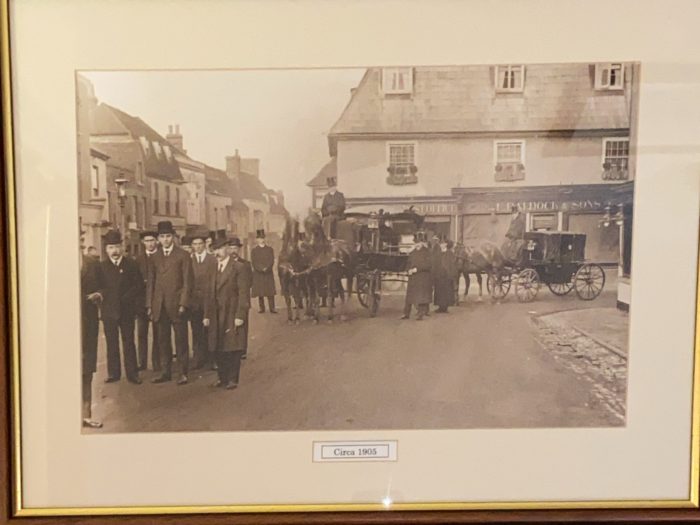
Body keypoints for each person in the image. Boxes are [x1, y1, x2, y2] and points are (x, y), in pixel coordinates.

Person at [148, 220, 193, 385]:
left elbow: (188, 282)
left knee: (181, 340)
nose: (166, 239)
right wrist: (150, 305)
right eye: (162, 236)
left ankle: (182, 372)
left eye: (168, 236)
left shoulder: (183, 255)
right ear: (158, 239)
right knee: (162, 340)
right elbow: (151, 283)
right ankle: (165, 372)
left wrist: (183, 303)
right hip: (159, 305)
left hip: (177, 304)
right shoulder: (154, 257)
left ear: (173, 237)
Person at [203, 235, 250, 389]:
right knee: (218, 345)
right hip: (216, 314)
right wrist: (206, 315)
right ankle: (222, 377)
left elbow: (243, 294)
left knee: (232, 347)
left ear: (227, 249)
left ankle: (232, 379)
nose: (217, 252)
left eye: (220, 249)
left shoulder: (238, 268)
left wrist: (240, 315)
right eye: (215, 249)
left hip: (231, 311)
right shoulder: (212, 268)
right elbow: (208, 293)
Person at [98, 230, 143, 384]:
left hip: (126, 311)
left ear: (122, 247)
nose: (115, 251)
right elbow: (98, 288)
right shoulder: (101, 267)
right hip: (109, 311)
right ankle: (113, 373)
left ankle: (133, 374)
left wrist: (126, 299)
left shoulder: (131, 264)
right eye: (111, 247)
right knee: (111, 343)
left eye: (117, 247)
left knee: (129, 342)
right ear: (106, 249)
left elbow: (138, 286)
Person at [80, 232, 103, 428]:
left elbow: (104, 287)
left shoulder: (93, 264)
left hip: (89, 323)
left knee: (87, 368)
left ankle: (86, 414)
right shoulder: (56, 265)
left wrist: (98, 294)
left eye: (79, 241)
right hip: (66, 324)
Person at [190, 230, 217, 369]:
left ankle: (212, 359)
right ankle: (198, 358)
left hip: (209, 299)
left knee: (210, 330)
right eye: (195, 244)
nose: (198, 247)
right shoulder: (189, 260)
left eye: (200, 244)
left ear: (205, 244)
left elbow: (214, 280)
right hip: (194, 302)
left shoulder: (212, 260)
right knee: (196, 330)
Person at [135, 230, 160, 371]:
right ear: (143, 242)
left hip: (157, 300)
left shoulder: (162, 256)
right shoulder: (138, 259)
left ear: (156, 241)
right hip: (142, 301)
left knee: (158, 332)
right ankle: (142, 362)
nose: (150, 244)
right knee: (142, 333)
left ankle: (157, 362)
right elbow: (134, 280)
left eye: (152, 240)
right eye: (147, 241)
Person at [228, 236, 252, 360]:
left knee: (243, 325)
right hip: (230, 299)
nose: (233, 250)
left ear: (239, 249)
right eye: (231, 248)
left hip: (243, 298)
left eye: (235, 248)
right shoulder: (227, 264)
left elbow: (250, 282)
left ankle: (242, 349)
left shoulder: (245, 264)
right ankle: (233, 347)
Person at [401, 232, 433, 321]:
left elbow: (428, 265)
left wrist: (416, 269)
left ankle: (420, 314)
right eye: (416, 242)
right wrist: (408, 270)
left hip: (423, 277)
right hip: (413, 278)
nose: (417, 244)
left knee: (421, 297)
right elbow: (408, 263)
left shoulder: (427, 253)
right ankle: (406, 313)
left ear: (422, 243)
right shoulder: (412, 253)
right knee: (409, 297)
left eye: (419, 242)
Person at [251, 229, 277, 313]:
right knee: (260, 292)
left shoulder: (270, 249)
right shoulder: (254, 251)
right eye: (259, 238)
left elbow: (271, 260)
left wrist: (267, 268)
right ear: (257, 240)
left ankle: (272, 308)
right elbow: (254, 262)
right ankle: (262, 308)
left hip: (268, 273)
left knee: (270, 292)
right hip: (259, 274)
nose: (261, 240)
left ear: (265, 239)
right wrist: (260, 268)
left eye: (262, 238)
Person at [433, 239, 457, 313]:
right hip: (439, 275)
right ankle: (440, 307)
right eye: (440, 244)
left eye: (443, 244)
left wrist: (451, 274)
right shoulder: (438, 253)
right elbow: (435, 264)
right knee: (439, 291)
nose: (442, 245)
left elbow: (452, 265)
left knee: (447, 291)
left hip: (447, 275)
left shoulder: (450, 253)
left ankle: (445, 307)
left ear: (446, 244)